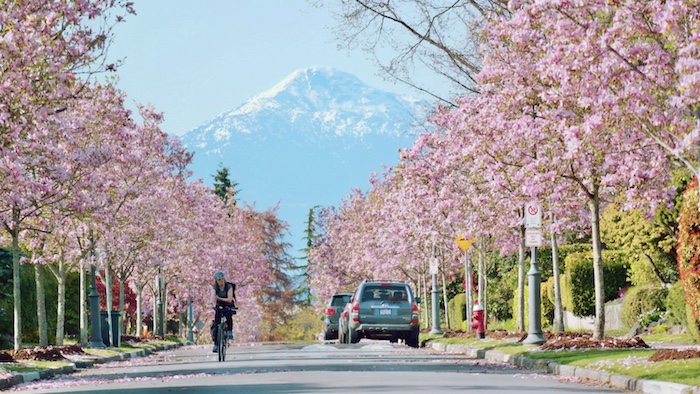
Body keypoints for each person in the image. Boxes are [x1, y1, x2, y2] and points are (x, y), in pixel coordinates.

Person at [211, 271, 236, 353]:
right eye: (219, 280)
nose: (220, 282)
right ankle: (216, 344)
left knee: (228, 315)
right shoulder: (215, 287)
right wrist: (212, 303)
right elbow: (213, 297)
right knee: (216, 323)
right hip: (219, 304)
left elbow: (229, 299)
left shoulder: (229, 286)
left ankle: (229, 331)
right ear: (216, 281)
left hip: (228, 303)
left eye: (222, 280)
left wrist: (219, 298)